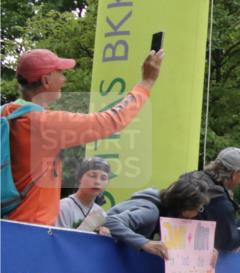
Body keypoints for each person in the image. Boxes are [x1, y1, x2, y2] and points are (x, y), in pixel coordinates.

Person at [2, 47, 163, 225]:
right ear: (46, 80)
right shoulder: (43, 122)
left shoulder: (6, 113)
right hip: (31, 227)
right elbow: (113, 120)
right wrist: (146, 83)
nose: (64, 79)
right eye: (60, 73)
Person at [102, 177, 210, 259]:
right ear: (184, 209)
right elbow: (110, 221)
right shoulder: (150, 211)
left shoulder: (167, 213)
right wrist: (145, 243)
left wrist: (204, 250)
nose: (198, 212)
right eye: (199, 208)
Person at [56, 157, 111, 235]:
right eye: (93, 176)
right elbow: (60, 239)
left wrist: (104, 236)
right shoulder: (63, 207)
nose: (97, 182)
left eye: (103, 178)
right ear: (80, 178)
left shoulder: (101, 214)